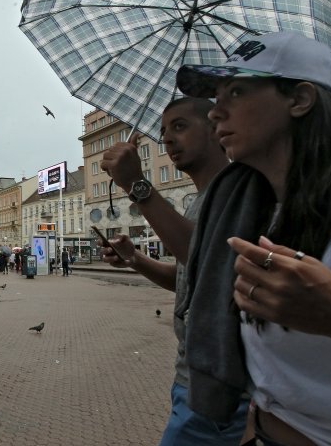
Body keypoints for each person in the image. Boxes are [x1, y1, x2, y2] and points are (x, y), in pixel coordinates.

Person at [175, 31, 331, 444]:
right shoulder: (252, 210)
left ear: (299, 100)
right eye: (216, 95)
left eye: (237, 91)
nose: (214, 113)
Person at [101, 97, 247, 445]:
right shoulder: (201, 200)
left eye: (179, 127)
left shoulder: (237, 190)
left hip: (220, 389)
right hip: (192, 379)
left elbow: (204, 260)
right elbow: (189, 283)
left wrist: (136, 184)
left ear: (216, 128)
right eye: (163, 131)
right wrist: (135, 258)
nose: (166, 139)